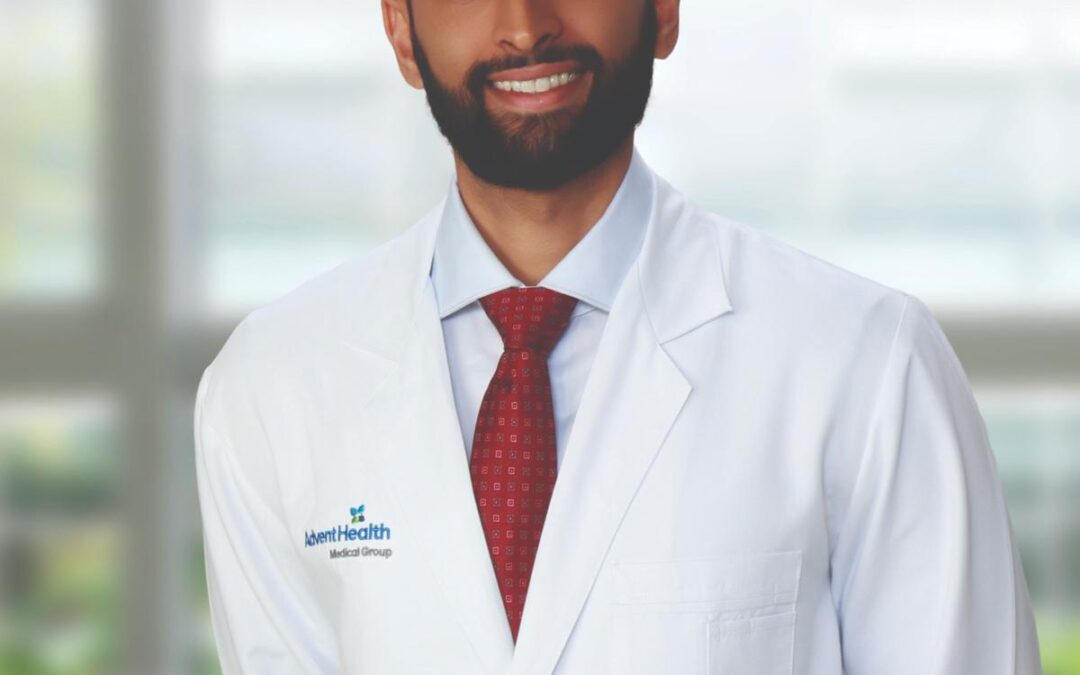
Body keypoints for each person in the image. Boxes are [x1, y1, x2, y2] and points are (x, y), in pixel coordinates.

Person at [192, 1, 1043, 673]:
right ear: (401, 33)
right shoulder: (271, 386)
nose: (525, 24)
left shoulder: (866, 364)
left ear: (663, 10)